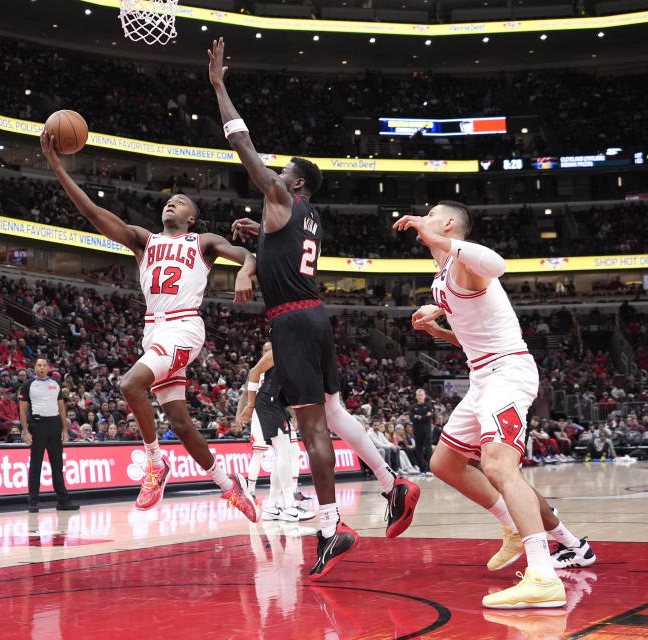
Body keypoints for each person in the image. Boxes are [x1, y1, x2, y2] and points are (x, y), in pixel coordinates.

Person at [208, 37, 419, 579]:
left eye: (283, 171)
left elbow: (243, 146)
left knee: (312, 429)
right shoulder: (307, 216)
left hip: (292, 323)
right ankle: (393, 481)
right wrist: (257, 243)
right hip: (316, 315)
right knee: (332, 412)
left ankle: (331, 527)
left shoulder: (279, 194)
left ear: (293, 182)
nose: (273, 173)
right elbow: (279, 253)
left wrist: (219, 88)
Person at [41, 130, 262, 522]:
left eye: (179, 202)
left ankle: (155, 463)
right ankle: (230, 487)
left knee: (129, 384)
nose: (171, 203)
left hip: (183, 328)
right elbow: (94, 213)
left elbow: (245, 251)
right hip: (154, 332)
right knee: (181, 423)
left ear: (190, 217)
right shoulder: (144, 241)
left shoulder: (202, 240)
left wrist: (246, 268)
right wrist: (57, 164)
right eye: (168, 200)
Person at [398, 201, 565, 607]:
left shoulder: (466, 262)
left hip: (507, 372)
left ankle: (543, 574)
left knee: (497, 465)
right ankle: (511, 527)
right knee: (443, 464)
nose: (425, 215)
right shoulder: (442, 278)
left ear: (450, 223)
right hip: (482, 376)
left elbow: (499, 264)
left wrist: (434, 234)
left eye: (433, 213)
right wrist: (439, 328)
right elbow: (472, 341)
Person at [237, 342, 313, 522]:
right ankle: (290, 506)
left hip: (276, 405)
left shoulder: (292, 359)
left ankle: (271, 506)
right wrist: (249, 407)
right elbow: (253, 373)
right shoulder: (279, 352)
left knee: (285, 453)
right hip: (266, 404)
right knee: (280, 454)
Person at [20, 358, 78, 512]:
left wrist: (64, 430)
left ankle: (63, 501)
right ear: (35, 367)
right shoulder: (28, 385)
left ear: (48, 367)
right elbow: (22, 410)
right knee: (36, 465)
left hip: (54, 425)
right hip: (37, 426)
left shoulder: (56, 384)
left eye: (45, 365)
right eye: (39, 365)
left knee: (57, 465)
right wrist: (26, 431)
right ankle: (32, 501)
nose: (42, 367)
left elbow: (61, 408)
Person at [409, 389, 434, 473]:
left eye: (421, 395)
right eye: (418, 395)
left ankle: (430, 469)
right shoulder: (412, 407)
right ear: (416, 396)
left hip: (427, 431)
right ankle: (422, 468)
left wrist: (419, 417)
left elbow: (429, 418)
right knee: (418, 451)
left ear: (424, 396)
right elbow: (412, 418)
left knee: (428, 450)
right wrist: (423, 417)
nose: (420, 397)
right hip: (417, 431)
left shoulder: (429, 406)